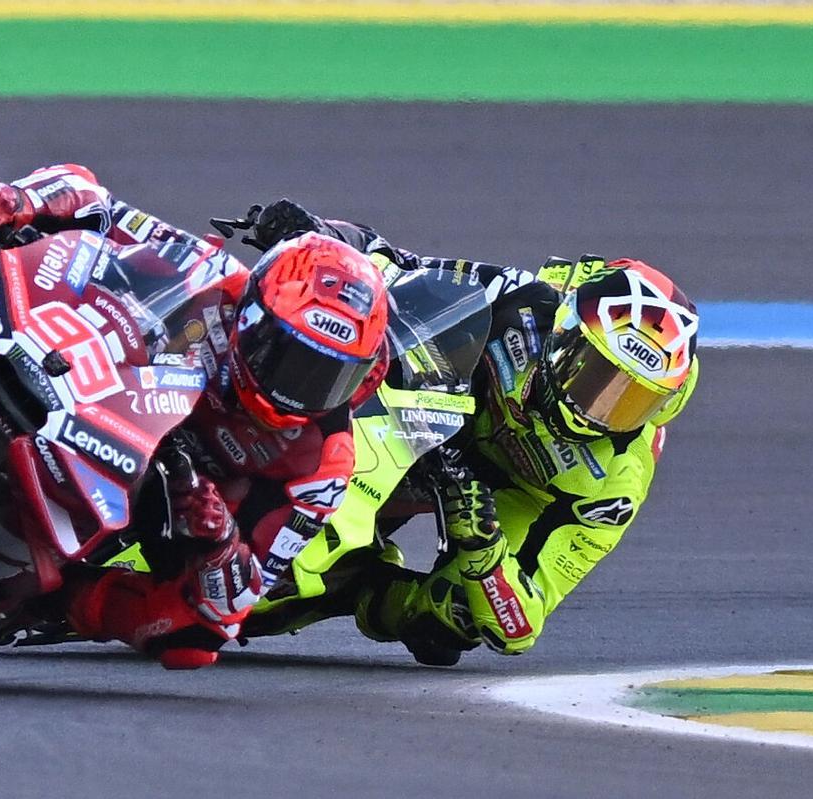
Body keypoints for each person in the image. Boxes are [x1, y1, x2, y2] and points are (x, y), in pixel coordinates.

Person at [0, 167, 389, 669]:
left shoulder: (323, 462)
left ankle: (24, 603)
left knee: (191, 639)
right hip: (76, 380)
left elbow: (239, 599)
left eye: (328, 377)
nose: (299, 390)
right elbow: (94, 200)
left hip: (146, 500)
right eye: (292, 360)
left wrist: (220, 540)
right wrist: (16, 202)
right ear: (253, 316)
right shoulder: (208, 273)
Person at [235, 200, 700, 664]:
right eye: (594, 374)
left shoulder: (616, 484)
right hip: (427, 425)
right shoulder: (522, 299)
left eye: (634, 400)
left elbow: (521, 628)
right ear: (565, 332)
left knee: (454, 617)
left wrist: (482, 547)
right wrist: (315, 233)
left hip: (507, 496)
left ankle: (361, 588)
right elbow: (396, 267)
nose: (599, 409)